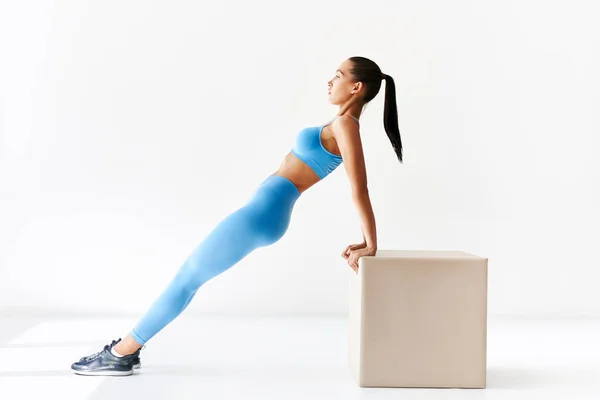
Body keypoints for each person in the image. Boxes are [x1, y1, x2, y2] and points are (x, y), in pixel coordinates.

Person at [70, 56, 403, 376]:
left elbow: (360, 188)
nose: (330, 80)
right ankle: (128, 349)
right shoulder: (340, 123)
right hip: (264, 212)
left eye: (339, 75)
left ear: (357, 87)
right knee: (190, 278)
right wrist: (366, 239)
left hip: (262, 214)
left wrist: (371, 243)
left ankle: (119, 354)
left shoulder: (345, 125)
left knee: (187, 278)